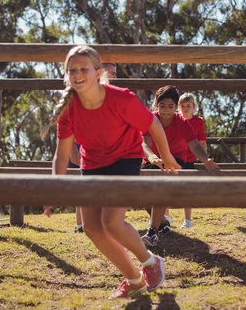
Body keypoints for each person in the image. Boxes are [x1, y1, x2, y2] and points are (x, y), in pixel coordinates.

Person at [45, 45, 182, 299]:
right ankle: (133, 279)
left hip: (125, 158)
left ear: (98, 73)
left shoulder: (121, 99)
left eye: (83, 69)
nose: (77, 74)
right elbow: (62, 154)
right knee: (92, 228)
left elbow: (152, 124)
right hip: (92, 163)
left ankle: (151, 262)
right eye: (71, 69)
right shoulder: (68, 108)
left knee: (111, 222)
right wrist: (55, 186)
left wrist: (167, 156)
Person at [141, 86, 219, 246]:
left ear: (176, 107)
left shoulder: (182, 122)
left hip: (175, 160)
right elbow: (144, 143)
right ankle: (163, 225)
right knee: (143, 197)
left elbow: (195, 145)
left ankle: (153, 232)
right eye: (162, 106)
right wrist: (152, 157)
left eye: (170, 106)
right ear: (156, 104)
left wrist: (206, 160)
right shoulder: (150, 119)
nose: (166, 110)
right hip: (153, 160)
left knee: (160, 188)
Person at [70, 62, 117, 233]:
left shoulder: (115, 96)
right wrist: (72, 149)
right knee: (82, 185)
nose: (114, 76)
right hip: (82, 145)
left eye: (115, 73)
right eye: (110, 73)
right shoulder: (85, 93)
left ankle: (103, 222)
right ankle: (80, 224)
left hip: (105, 147)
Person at [177, 92, 207, 229]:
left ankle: (187, 220)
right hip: (174, 158)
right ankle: (166, 218)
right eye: (182, 106)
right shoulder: (175, 119)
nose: (185, 108)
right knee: (165, 187)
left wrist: (205, 159)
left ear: (194, 106)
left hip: (189, 159)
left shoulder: (198, 122)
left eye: (188, 105)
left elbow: (202, 142)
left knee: (186, 189)